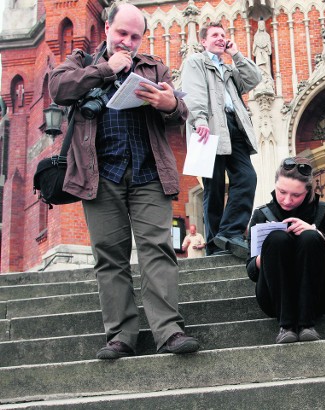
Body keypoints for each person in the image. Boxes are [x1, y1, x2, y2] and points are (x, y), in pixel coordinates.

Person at [49, 3, 199, 360]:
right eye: (122, 34)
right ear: (107, 28)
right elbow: (58, 88)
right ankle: (121, 336)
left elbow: (179, 111)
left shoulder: (153, 66)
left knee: (158, 251)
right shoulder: (82, 62)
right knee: (110, 257)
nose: (128, 42)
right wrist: (105, 69)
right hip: (99, 176)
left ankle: (169, 331)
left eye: (135, 36)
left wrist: (168, 103)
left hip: (148, 172)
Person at [246, 157, 325, 344]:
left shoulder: (323, 211)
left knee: (310, 237)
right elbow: (252, 271)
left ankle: (307, 324)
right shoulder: (261, 214)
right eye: (282, 192)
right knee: (277, 239)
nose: (287, 200)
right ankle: (286, 327)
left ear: (308, 191)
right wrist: (267, 253)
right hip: (274, 298)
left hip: (321, 294)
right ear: (275, 185)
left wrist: (317, 233)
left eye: (296, 195)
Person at [182, 22, 261, 258]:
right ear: (203, 41)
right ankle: (216, 245)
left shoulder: (228, 68)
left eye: (223, 35)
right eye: (215, 35)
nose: (220, 38)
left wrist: (235, 53)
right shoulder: (195, 62)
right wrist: (200, 121)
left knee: (247, 177)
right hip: (209, 128)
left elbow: (254, 79)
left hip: (234, 127)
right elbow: (193, 92)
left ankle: (231, 233)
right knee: (213, 189)